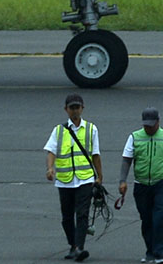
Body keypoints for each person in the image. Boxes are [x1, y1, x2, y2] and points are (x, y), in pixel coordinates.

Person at [119, 107, 163, 264]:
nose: (148, 128)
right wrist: (122, 181)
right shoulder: (134, 137)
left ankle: (161, 252)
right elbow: (126, 159)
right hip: (141, 184)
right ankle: (151, 252)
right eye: (146, 125)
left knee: (161, 217)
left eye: (151, 125)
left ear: (158, 122)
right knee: (147, 219)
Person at [44, 93, 103, 262]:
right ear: (66, 110)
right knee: (67, 217)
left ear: (82, 108)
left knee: (82, 214)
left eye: (78, 107)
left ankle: (79, 247)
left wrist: (100, 176)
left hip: (85, 178)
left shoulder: (92, 129)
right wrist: (50, 168)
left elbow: (96, 155)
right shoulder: (59, 130)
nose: (75, 111)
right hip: (65, 180)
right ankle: (72, 245)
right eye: (72, 108)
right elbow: (51, 151)